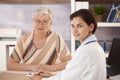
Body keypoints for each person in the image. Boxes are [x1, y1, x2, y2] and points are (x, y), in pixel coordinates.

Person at [31, 9, 106, 80]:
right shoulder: (95, 47)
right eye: (73, 26)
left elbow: (66, 78)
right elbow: (72, 73)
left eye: (80, 26)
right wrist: (52, 76)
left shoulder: (86, 51)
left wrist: (42, 79)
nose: (75, 30)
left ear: (91, 27)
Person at [7, 7, 71, 75]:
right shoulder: (24, 39)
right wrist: (33, 67)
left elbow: (69, 62)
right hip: (28, 77)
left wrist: (51, 68)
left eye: (45, 21)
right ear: (33, 21)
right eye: (37, 21)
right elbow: (10, 65)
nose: (40, 25)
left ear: (50, 23)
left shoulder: (56, 38)